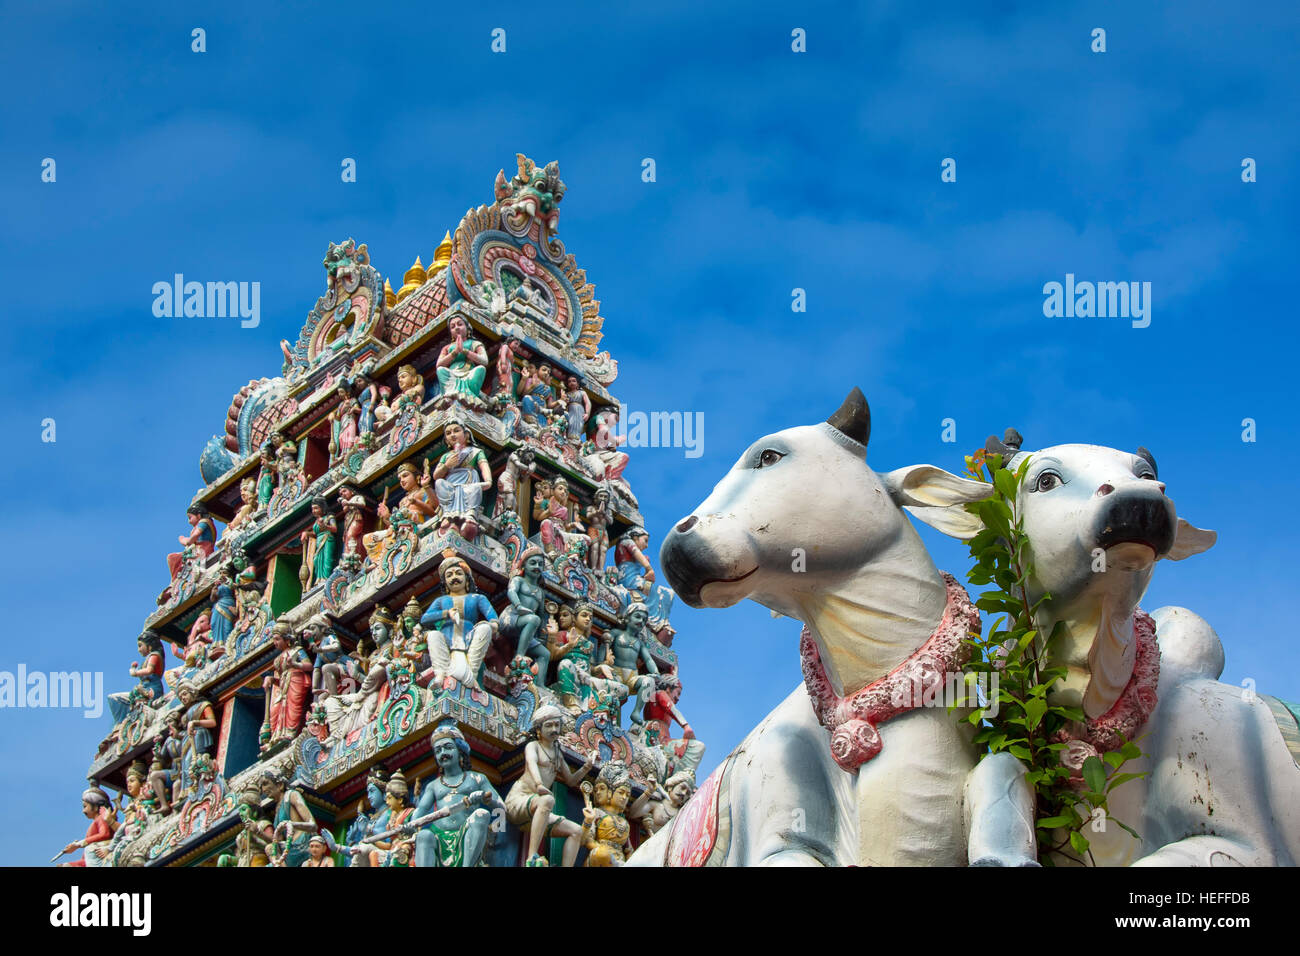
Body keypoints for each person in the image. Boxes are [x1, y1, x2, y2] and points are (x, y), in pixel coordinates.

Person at [504, 705, 592, 866]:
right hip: (519, 801)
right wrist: (538, 784)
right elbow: (531, 763)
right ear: (539, 729)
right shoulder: (534, 746)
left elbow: (571, 781)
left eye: (557, 725)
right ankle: (532, 857)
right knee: (547, 800)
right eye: (549, 725)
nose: (554, 729)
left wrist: (586, 767)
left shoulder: (558, 753)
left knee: (576, 831)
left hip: (538, 809)